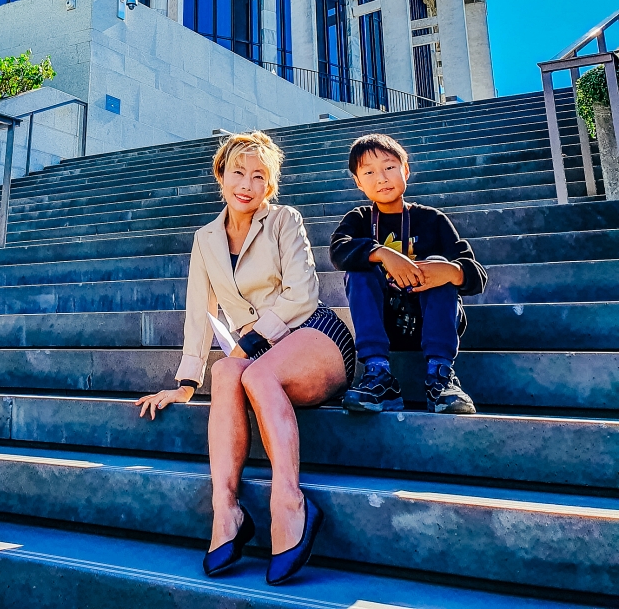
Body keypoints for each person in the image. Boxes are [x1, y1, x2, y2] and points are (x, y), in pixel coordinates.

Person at [135, 130, 355, 586]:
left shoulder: (283, 220)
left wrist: (252, 341)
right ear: (221, 174)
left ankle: (290, 502)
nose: (247, 184)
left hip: (315, 337)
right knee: (226, 369)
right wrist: (185, 383)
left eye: (260, 177)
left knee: (251, 371)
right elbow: (200, 311)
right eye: (239, 172)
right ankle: (227, 510)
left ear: (270, 186)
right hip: (260, 358)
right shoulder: (205, 239)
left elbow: (302, 295)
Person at [330, 132, 487, 414]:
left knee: (441, 265)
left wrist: (451, 271)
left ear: (406, 170)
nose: (382, 178)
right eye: (369, 172)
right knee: (359, 268)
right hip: (384, 323)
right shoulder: (360, 219)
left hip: (432, 321)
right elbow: (338, 251)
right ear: (357, 182)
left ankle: (440, 377)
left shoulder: (432, 219)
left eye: (390, 167)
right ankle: (378, 375)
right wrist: (381, 253)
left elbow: (476, 274)